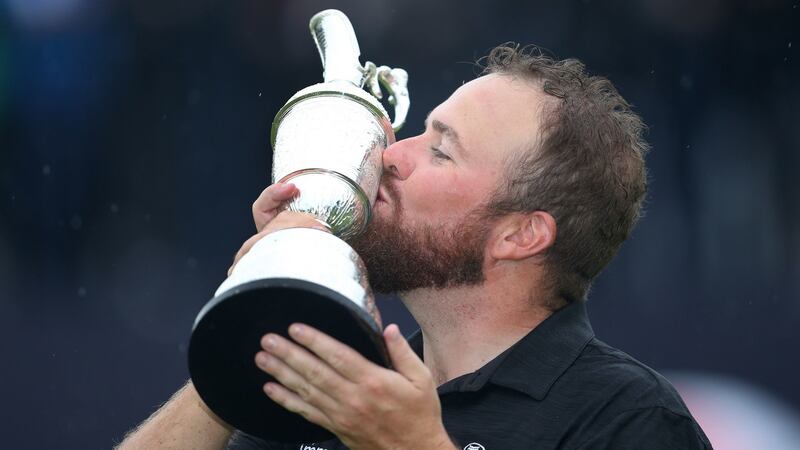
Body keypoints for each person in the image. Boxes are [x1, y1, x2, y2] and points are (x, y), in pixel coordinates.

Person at [117, 44, 711, 450]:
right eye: (420, 131)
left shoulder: (626, 417)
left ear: (520, 235)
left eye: (441, 150)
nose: (389, 155)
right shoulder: (331, 377)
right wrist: (258, 312)